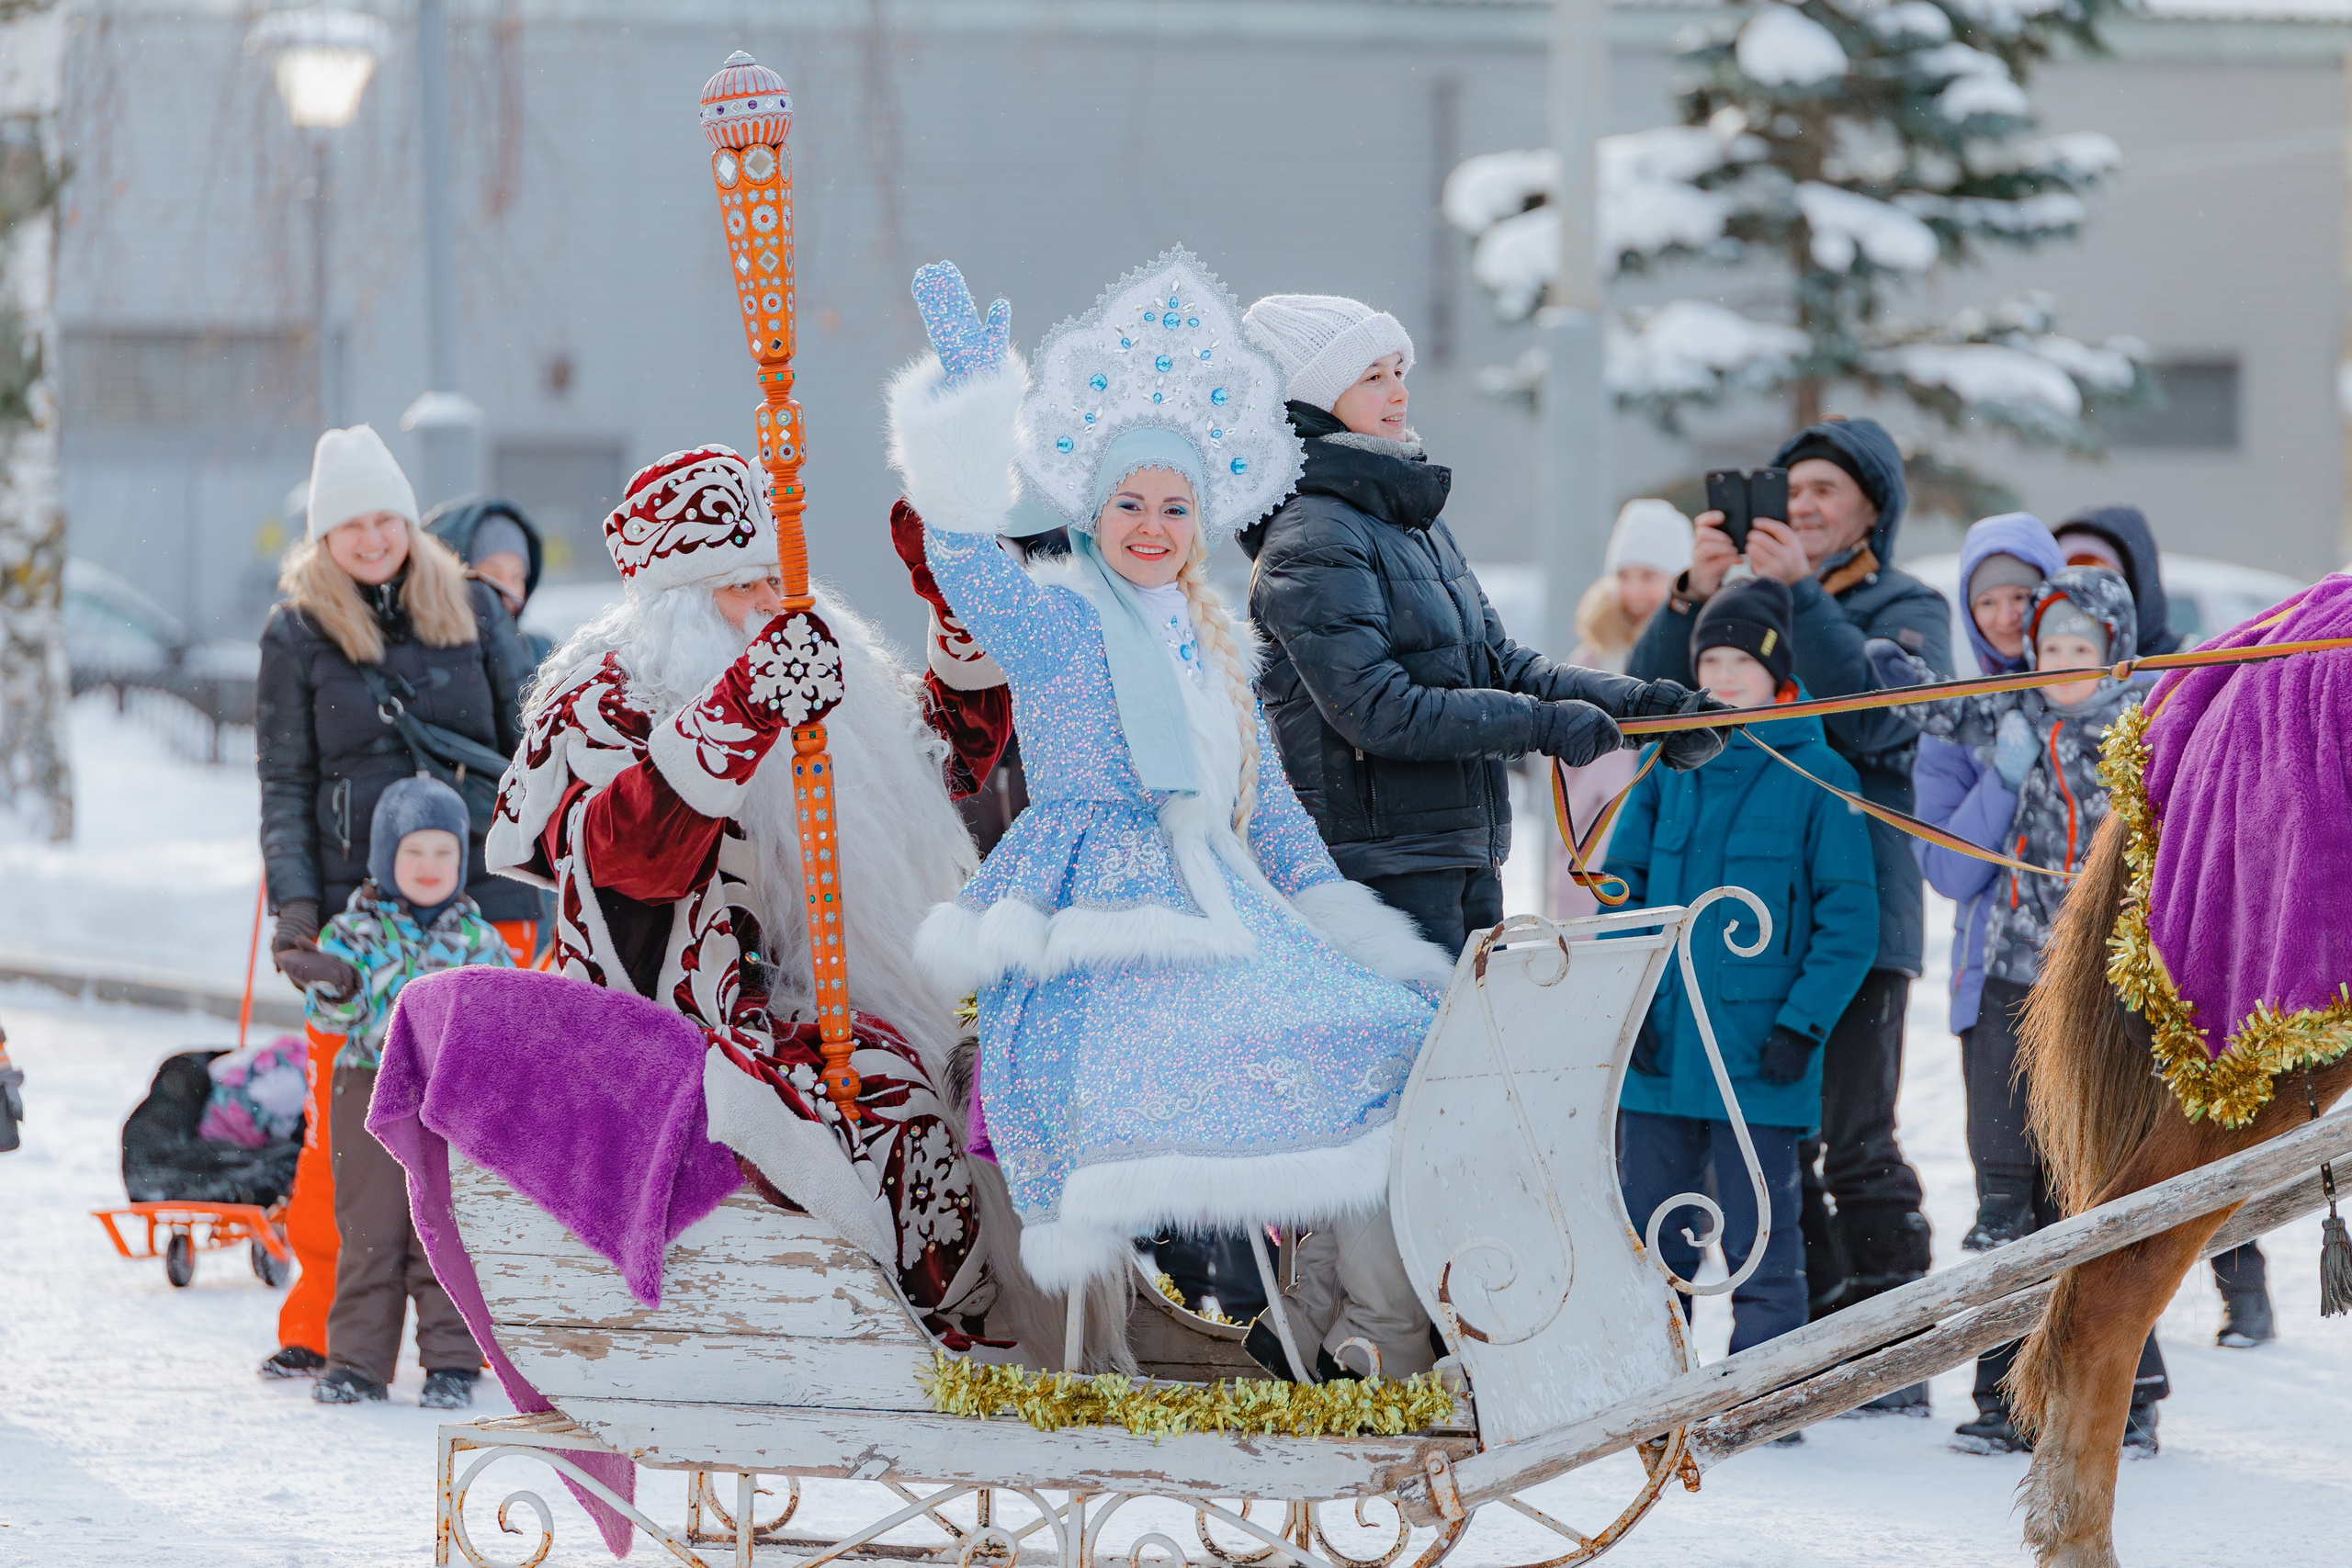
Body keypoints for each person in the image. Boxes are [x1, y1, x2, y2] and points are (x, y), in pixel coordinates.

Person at [888, 251, 1459, 1379]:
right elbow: (960, 562)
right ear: (1093, 513)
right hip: (1105, 931)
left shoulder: (1215, 639)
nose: (1150, 527)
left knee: (1397, 1039)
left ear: (1202, 521)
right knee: (1334, 1051)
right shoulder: (1056, 621)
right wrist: (970, 411)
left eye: (1174, 508)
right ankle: (1353, 1333)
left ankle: (1344, 1328)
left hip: (1225, 906)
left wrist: (1349, 930)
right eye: (1129, 505)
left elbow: (1270, 808)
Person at [484, 444, 1001, 1337]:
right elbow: (626, 859)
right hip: (680, 1024)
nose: (769, 601)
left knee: (994, 1077)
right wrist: (744, 705)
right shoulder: (607, 698)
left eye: (776, 579)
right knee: (889, 1104)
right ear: (681, 604)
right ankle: (927, 1337)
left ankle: (1005, 1325)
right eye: (742, 586)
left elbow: (942, 758)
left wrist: (952, 593)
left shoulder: (807, 661)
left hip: (818, 997)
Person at [1237, 293, 1724, 957]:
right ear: (1313, 402)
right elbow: (1377, 709)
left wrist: (1646, 708)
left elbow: (1501, 665)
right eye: (1372, 377)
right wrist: (1544, 725)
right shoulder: (1312, 535)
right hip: (1376, 875)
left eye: (1399, 371)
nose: (1399, 392)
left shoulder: (1411, 525)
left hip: (1453, 856)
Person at [1627, 417, 1951, 1401]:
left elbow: (1877, 723)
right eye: (1790, 488)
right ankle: (1804, 1352)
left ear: (1873, 509)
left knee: (1854, 1141)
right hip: (1736, 937)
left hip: (1855, 923)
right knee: (1770, 1154)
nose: (1802, 506)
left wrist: (1801, 595)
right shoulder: (1732, 607)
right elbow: (1645, 711)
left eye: (1824, 491)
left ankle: (1888, 1361)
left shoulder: (1906, 605)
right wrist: (1692, 595)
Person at [254, 424, 537, 1382]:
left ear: (410, 521)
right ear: (324, 536)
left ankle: (492, 1332)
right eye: (351, 524)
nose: (372, 538)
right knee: (343, 1137)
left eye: (386, 519)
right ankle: (322, 1324)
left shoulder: (472, 606)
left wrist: (550, 881)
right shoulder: (298, 631)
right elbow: (286, 784)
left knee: (483, 1131)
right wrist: (298, 911)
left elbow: (530, 751)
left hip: (484, 898)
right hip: (357, 918)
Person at [1913, 567, 2169, 1455]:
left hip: (2103, 991)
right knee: (2004, 1191)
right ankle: (2001, 1394)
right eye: (2048, 646)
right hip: (2012, 978)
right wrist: (1909, 680)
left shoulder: (2141, 730)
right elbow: (1939, 713)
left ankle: (2123, 1394)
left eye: (2079, 648)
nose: (2061, 662)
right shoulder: (2014, 718)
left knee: (2091, 1190)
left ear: (2115, 653)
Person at [1608, 578, 1877, 1413]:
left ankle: (1765, 1393)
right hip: (1660, 1049)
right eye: (1710, 661)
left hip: (1758, 1053)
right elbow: (1620, 892)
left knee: (1762, 1235)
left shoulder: (1819, 773)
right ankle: (1649, 1391)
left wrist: (1802, 1024)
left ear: (1778, 675)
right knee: (1652, 1230)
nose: (1723, 677)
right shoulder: (1666, 767)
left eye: (1741, 662)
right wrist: (1627, 1008)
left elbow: (1849, 919)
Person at [2056, 505, 2272, 1343]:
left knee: (2215, 1104)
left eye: (2101, 573)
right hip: (2093, 936)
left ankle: (2243, 1284)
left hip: (2179, 923)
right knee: (2139, 1125)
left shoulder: (2182, 681)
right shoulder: (2045, 694)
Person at [293, 776, 514, 1406]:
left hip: (448, 1098)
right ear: (386, 856)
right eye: (413, 851)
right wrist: (336, 985)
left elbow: (503, 1021)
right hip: (368, 1086)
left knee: (443, 1230)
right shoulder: (353, 933)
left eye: (444, 852)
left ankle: (452, 1361)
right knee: (369, 1229)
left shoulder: (480, 940)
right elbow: (333, 1018)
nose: (429, 866)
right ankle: (356, 1363)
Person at [1910, 514, 2064, 1249]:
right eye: (1987, 602)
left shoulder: (2096, 702)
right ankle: (2006, 1335)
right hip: (1994, 986)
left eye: (2022, 597)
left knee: (2079, 1201)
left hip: (2092, 980)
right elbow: (1949, 867)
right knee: (2005, 1206)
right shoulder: (1953, 719)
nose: (2005, 617)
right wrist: (2002, 777)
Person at [1554, 500, 1694, 918]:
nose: (1634, 592)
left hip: (1666, 830)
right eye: (1623, 575)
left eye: (1649, 576)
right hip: (1593, 840)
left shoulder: (1696, 656)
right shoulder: (1591, 658)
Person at [426, 496, 556, 671]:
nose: (508, 589)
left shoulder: (545, 655)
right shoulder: (428, 663)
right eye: (493, 575)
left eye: (517, 576)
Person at [2053, 505, 2182, 657]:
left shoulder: (2188, 665)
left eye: (2100, 582)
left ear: (2134, 585)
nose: (2082, 597)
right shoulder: (2044, 665)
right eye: (2068, 581)